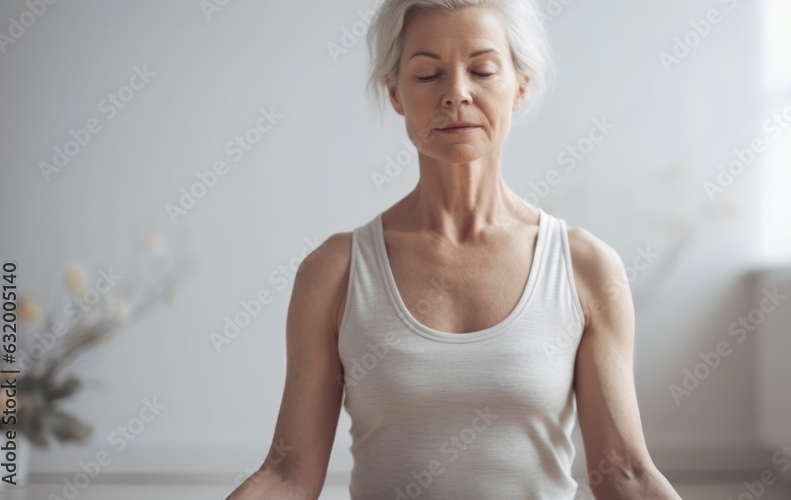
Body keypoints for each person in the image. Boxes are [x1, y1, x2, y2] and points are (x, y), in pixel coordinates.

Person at [228, 0, 682, 498]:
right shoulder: (334, 272)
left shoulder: (585, 267)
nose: (456, 94)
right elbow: (288, 474)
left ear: (520, 88)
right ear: (396, 93)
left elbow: (624, 475)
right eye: (427, 75)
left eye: (483, 70)